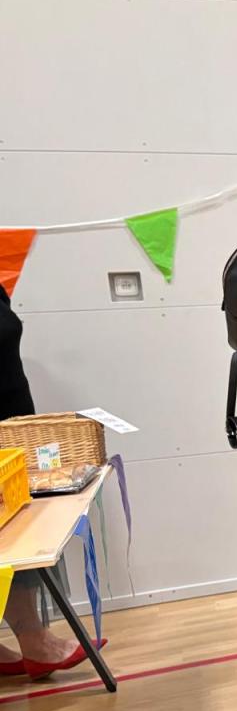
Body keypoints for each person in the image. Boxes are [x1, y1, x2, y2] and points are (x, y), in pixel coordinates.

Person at [0, 286, 103, 679]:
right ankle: (36, 643)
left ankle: (34, 640)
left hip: (13, 431)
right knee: (11, 540)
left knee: (18, 535)